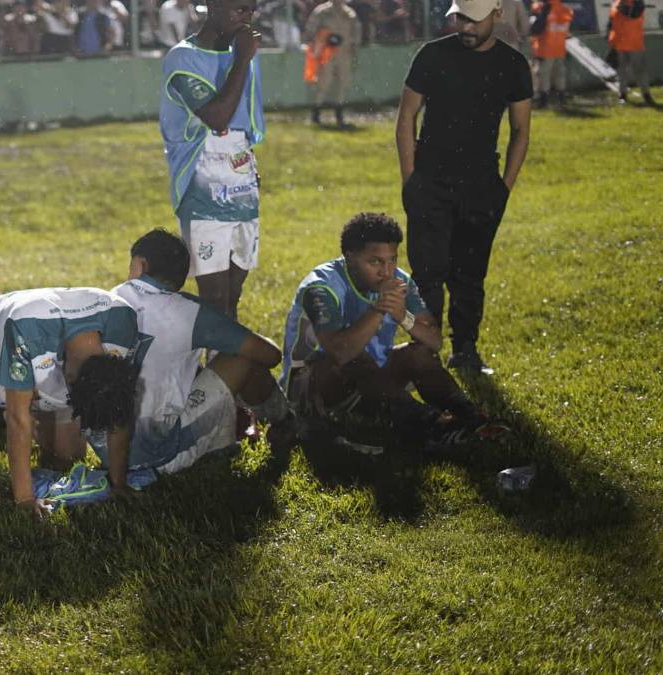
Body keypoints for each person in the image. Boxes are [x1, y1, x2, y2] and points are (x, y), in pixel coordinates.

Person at [278, 214, 507, 449]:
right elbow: (341, 353)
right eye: (375, 262)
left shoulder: (399, 281)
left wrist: (402, 317)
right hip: (312, 389)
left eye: (392, 260)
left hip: (369, 383)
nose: (386, 271)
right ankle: (432, 425)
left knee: (419, 353)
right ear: (349, 257)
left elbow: (435, 342)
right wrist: (379, 308)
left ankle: (471, 417)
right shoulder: (322, 287)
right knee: (357, 359)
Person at [395, 0, 532, 375]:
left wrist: (504, 187)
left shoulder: (513, 65)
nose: (464, 27)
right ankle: (423, 352)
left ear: (496, 14)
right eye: (459, 18)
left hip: (482, 186)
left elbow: (521, 130)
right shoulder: (433, 55)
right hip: (430, 183)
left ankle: (466, 351)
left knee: (470, 274)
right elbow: (407, 115)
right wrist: (410, 178)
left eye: (473, 20)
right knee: (427, 274)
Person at [0, 288, 140, 520]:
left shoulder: (123, 322)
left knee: (68, 455)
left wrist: (118, 482)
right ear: (68, 382)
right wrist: (25, 499)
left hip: (36, 367)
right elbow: (18, 419)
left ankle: (2, 418)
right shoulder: (27, 329)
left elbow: (118, 407)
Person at [110, 230, 298, 476]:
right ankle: (285, 424)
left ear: (140, 265)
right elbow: (270, 355)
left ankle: (223, 439)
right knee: (242, 359)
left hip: (108, 449)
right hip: (155, 455)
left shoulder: (107, 299)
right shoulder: (189, 311)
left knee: (187, 370)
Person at [159, 0, 267, 321]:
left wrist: (250, 165)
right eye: (238, 9)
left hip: (241, 180)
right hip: (202, 186)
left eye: (251, 9)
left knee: (234, 293)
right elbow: (217, 117)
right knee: (214, 298)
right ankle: (207, 365)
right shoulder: (183, 58)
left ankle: (223, 369)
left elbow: (241, 123)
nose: (245, 16)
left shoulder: (239, 53)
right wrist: (243, 59)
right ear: (213, 6)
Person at [303, 0, 361, 125]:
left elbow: (356, 32)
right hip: (326, 53)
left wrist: (354, 47)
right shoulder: (322, 12)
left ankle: (339, 113)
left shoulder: (349, 13)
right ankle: (316, 112)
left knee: (342, 82)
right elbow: (311, 29)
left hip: (344, 53)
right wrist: (319, 43)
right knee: (323, 82)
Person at [608, 0, 655, 105]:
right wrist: (611, 44)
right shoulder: (615, 4)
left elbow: (634, 15)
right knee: (622, 72)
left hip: (635, 43)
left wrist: (623, 8)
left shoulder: (638, 3)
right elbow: (612, 24)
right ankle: (622, 95)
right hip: (619, 43)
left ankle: (646, 94)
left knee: (640, 71)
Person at [530, 0, 572, 107]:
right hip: (560, 47)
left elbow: (535, 29)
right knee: (559, 75)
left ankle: (543, 102)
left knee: (544, 76)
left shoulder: (542, 8)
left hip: (545, 48)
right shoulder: (564, 9)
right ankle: (561, 100)